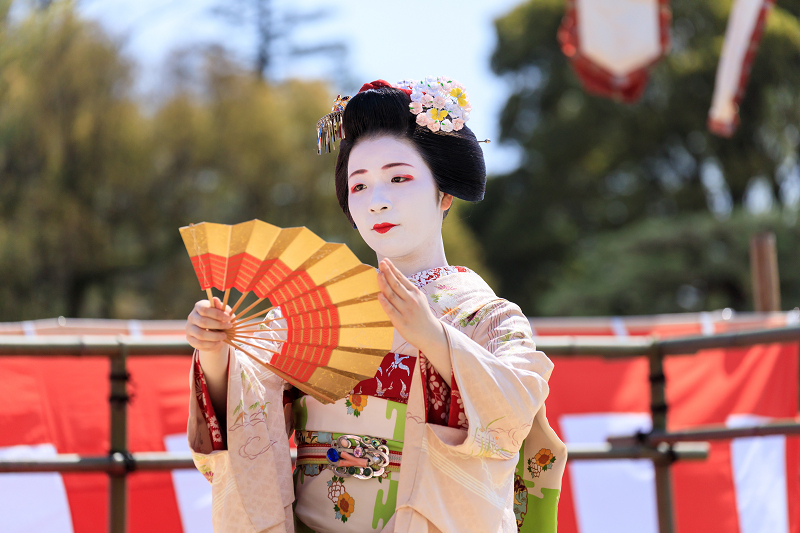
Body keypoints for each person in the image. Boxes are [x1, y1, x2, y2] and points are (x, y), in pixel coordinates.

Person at [185, 77, 566, 533]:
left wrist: (435, 338)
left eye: (399, 178)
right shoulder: (309, 311)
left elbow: (514, 412)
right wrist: (215, 356)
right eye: (360, 185)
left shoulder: (487, 316)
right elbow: (245, 412)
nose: (377, 202)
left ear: (444, 193)